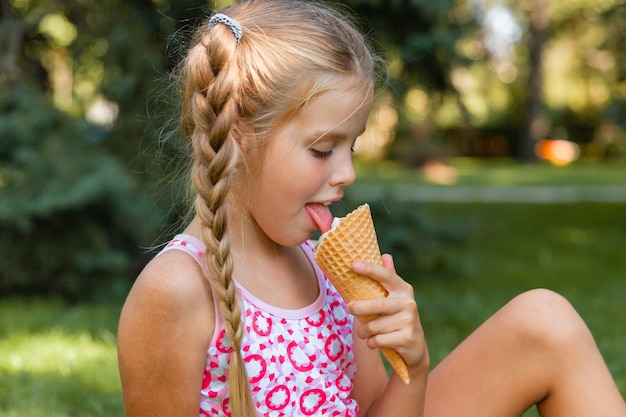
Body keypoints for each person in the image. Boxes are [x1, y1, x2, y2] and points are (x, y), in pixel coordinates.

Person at [117, 1, 626, 416]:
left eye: (351, 147)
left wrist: (413, 363)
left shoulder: (328, 270)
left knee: (544, 320)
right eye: (322, 149)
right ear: (241, 139)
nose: (346, 174)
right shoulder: (176, 291)